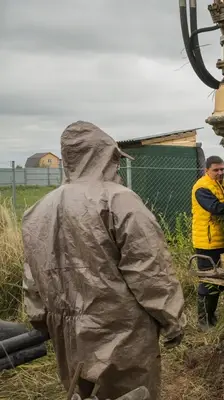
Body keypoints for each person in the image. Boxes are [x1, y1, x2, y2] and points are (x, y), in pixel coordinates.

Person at [21, 121, 186, 400]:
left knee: (79, 392)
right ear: (105, 156)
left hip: (67, 333)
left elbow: (33, 275)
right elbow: (149, 270)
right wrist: (172, 318)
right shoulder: (119, 200)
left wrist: (40, 319)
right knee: (132, 394)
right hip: (121, 333)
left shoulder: (39, 209)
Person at [191, 155, 224, 331]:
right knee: (209, 281)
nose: (220, 172)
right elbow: (216, 208)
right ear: (207, 170)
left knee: (219, 281)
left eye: (222, 169)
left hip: (222, 240)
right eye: (216, 170)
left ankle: (211, 316)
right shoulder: (202, 187)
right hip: (207, 242)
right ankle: (203, 321)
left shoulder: (223, 185)